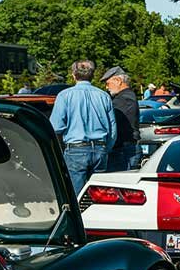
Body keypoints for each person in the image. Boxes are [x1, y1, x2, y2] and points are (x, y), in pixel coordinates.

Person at [50, 60, 116, 194]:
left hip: (76, 148)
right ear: (92, 75)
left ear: (74, 75)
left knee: (77, 194)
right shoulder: (104, 96)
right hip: (100, 148)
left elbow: (56, 126)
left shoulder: (65, 95)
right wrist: (106, 147)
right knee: (99, 194)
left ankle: (81, 214)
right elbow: (112, 129)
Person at [102, 66, 140, 171]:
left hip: (123, 149)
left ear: (118, 81)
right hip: (125, 148)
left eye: (108, 83)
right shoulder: (126, 96)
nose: (106, 87)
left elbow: (112, 123)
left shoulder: (123, 99)